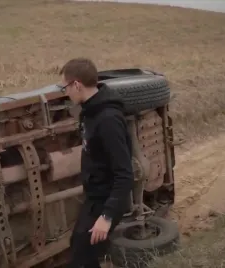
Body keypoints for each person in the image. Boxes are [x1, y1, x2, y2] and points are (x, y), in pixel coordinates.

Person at [58, 58, 134, 268]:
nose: (65, 92)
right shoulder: (90, 111)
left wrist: (106, 217)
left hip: (107, 199)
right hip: (96, 196)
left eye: (65, 86)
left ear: (77, 84)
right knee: (81, 251)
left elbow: (125, 174)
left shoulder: (108, 120)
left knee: (81, 257)